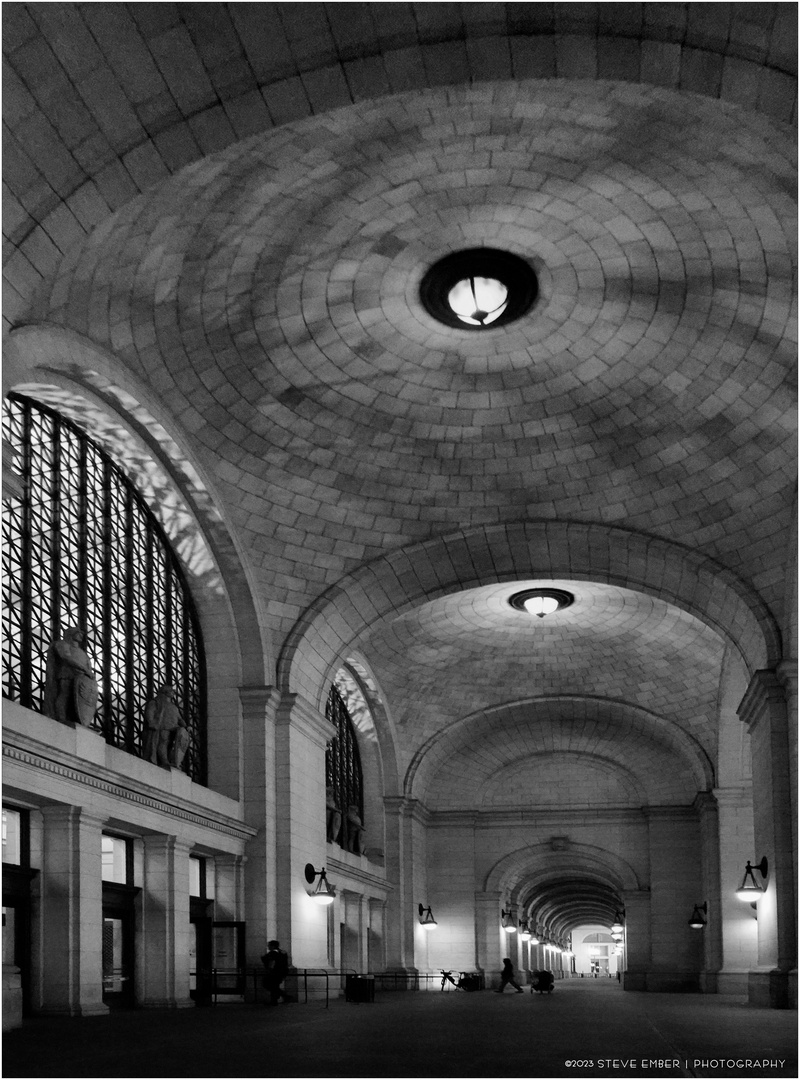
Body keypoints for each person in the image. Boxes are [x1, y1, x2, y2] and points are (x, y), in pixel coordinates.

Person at [44, 626, 98, 727]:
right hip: (67, 674)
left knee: (75, 699)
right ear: (71, 634)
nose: (81, 636)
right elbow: (66, 657)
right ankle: (61, 717)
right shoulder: (63, 644)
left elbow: (88, 666)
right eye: (78, 633)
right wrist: (85, 669)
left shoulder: (83, 653)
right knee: (65, 694)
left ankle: (77, 719)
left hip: (81, 678)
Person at [143, 683, 181, 767]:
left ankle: (170, 760)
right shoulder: (155, 702)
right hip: (162, 727)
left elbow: (179, 718)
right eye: (171, 691)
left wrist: (185, 726)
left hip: (173, 728)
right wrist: (152, 722)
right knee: (163, 742)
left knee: (169, 744)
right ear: (165, 692)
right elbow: (150, 712)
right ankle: (164, 761)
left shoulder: (173, 707)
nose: (173, 693)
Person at [261, 940, 289, 1004]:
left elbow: (270, 962)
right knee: (275, 986)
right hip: (282, 972)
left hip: (275, 972)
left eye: (269, 945)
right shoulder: (283, 952)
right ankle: (274, 1000)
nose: (268, 947)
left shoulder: (273, 953)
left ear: (273, 946)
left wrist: (269, 969)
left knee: (269, 985)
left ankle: (282, 996)